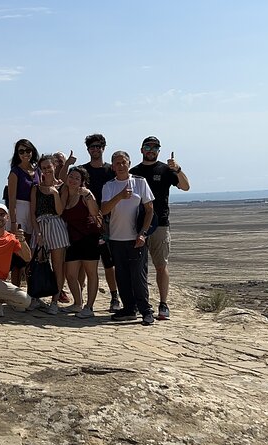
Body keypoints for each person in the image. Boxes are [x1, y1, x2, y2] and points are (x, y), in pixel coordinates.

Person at [130, 136, 190, 320]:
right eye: (148, 147)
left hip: (160, 225)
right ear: (141, 150)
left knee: (161, 265)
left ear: (159, 151)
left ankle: (163, 304)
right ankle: (139, 303)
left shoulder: (166, 170)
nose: (151, 150)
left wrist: (178, 169)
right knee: (137, 267)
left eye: (155, 148)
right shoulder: (134, 172)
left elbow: (185, 187)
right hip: (137, 225)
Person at [101, 151, 155, 326]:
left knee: (138, 276)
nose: (121, 165)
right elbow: (104, 210)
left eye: (123, 162)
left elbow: (149, 210)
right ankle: (129, 308)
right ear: (113, 166)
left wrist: (143, 233)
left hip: (136, 238)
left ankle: (146, 310)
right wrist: (120, 196)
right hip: (117, 238)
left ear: (129, 163)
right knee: (122, 276)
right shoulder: (109, 186)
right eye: (117, 163)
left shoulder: (140, 182)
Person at [79, 134, 121, 311]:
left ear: (103, 148)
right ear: (87, 149)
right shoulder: (82, 170)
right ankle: (79, 298)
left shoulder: (111, 170)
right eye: (91, 147)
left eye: (98, 146)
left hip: (108, 221)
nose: (94, 149)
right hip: (85, 222)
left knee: (109, 262)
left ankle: (114, 296)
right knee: (84, 261)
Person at [30, 154, 69, 315]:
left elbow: (60, 211)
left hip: (56, 225)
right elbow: (32, 213)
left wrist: (54, 193)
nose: (47, 170)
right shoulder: (36, 188)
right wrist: (37, 231)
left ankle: (55, 300)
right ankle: (35, 297)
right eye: (43, 167)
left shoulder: (62, 188)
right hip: (40, 225)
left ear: (54, 166)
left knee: (58, 266)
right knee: (36, 263)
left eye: (49, 167)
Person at [60, 166, 101, 318]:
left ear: (82, 182)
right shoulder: (64, 194)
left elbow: (95, 212)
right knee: (70, 274)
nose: (73, 180)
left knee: (91, 273)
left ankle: (89, 307)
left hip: (89, 237)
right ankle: (78, 303)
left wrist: (89, 195)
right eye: (71, 177)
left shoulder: (85, 195)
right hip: (73, 239)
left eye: (77, 178)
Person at [7, 139, 39, 286]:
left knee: (31, 252)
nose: (25, 154)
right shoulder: (15, 172)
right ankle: (15, 289)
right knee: (18, 253)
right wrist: (13, 222)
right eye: (21, 151)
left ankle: (31, 292)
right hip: (19, 210)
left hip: (34, 212)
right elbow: (11, 199)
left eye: (27, 150)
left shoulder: (37, 170)